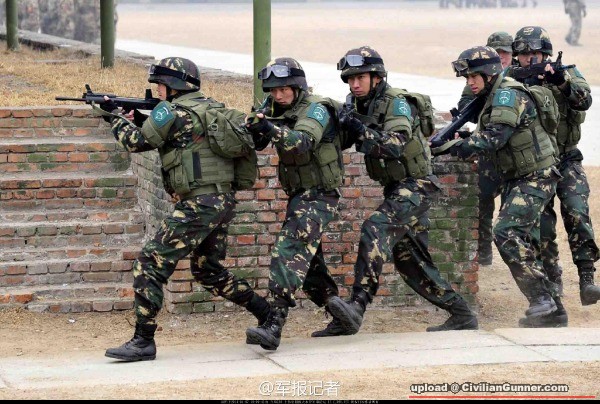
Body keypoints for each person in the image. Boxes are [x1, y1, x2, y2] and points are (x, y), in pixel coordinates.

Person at [99, 57, 270, 362]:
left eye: (160, 85)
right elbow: (179, 137)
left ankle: (143, 341)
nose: (158, 91)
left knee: (150, 262)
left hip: (198, 205)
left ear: (173, 85)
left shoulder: (171, 111)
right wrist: (136, 117)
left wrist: (113, 117)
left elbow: (137, 142)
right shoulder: (210, 107)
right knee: (208, 270)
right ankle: (267, 313)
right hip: (221, 200)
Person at [314, 46, 478, 336]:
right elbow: (342, 139)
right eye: (350, 79)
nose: (354, 84)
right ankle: (461, 313)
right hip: (395, 188)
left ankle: (356, 307)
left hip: (417, 185)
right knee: (410, 262)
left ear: (377, 77)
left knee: (374, 228)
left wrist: (357, 128)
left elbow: (394, 144)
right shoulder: (357, 104)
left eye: (360, 78)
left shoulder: (396, 103)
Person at [437, 45, 562, 325]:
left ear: (489, 74)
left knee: (506, 232)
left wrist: (453, 146)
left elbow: (494, 138)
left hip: (535, 176)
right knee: (529, 241)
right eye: (467, 77)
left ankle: (542, 299)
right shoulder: (490, 95)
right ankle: (555, 312)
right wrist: (462, 137)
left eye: (474, 77)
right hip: (519, 176)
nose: (470, 83)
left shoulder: (507, 95)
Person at [244, 57, 349, 350]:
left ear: (298, 87)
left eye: (284, 90)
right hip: (300, 195)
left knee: (288, 252)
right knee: (309, 263)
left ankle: (273, 324)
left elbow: (303, 141)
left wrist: (269, 127)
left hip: (320, 194)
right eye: (273, 90)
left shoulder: (316, 108)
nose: (277, 96)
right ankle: (342, 313)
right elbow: (255, 141)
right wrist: (254, 125)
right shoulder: (274, 108)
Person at [505, 26, 599, 327]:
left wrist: (560, 82)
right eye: (523, 54)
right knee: (541, 231)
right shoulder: (510, 80)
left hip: (567, 157)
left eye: (535, 53)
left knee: (577, 213)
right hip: (535, 166)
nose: (529, 59)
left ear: (546, 53)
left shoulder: (566, 72)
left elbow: (584, 100)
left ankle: (587, 278)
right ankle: (553, 299)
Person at [458, 31, 514, 266]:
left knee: (512, 218)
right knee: (482, 200)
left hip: (514, 156)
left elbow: (498, 134)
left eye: (505, 53)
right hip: (492, 155)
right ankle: (484, 254)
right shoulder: (479, 80)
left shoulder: (514, 82)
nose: (502, 57)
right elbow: (466, 108)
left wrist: (465, 144)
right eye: (497, 53)